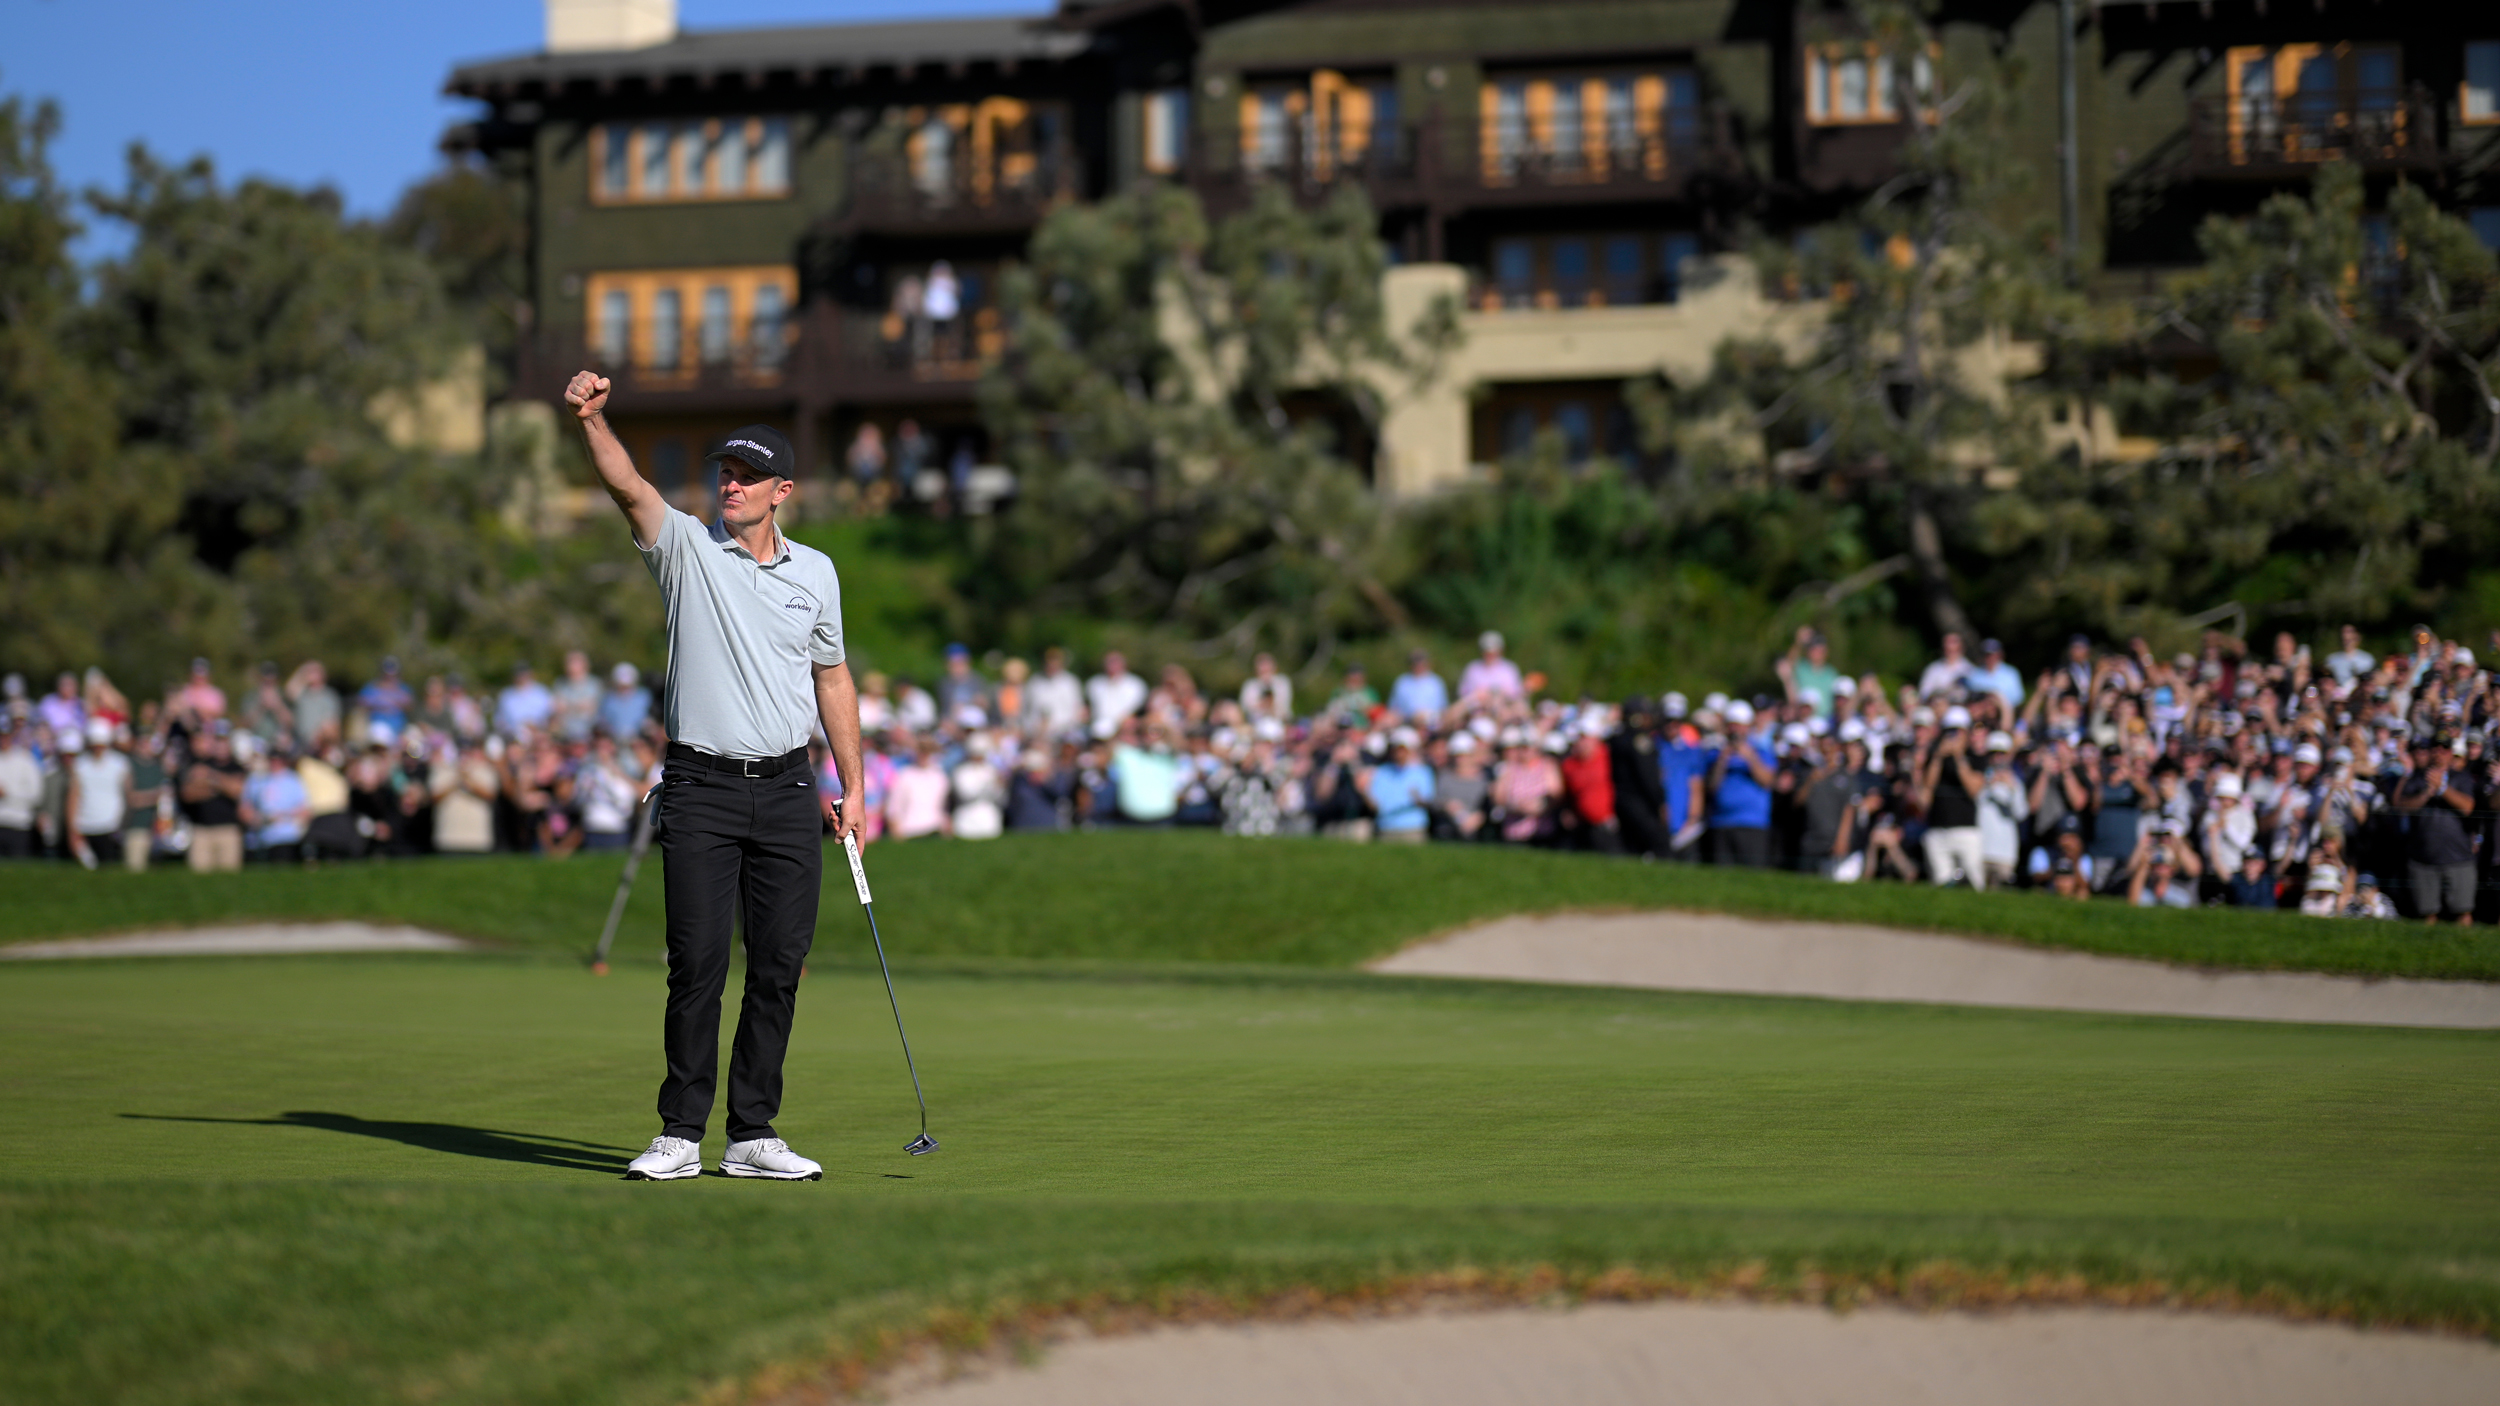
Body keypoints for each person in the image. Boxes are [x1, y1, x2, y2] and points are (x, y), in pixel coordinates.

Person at [568, 369, 864, 1184]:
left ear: (783, 491)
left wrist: (856, 787)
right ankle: (678, 1133)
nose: (728, 485)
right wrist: (594, 421)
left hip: (789, 790)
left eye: (744, 476)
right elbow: (629, 488)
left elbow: (831, 678)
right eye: (722, 473)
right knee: (696, 962)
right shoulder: (688, 551)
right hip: (700, 787)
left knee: (778, 965)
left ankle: (752, 1133)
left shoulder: (818, 574)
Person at [2393, 742, 2477, 926]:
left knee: (2463, 912)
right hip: (2423, 859)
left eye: (2444, 748)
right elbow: (2401, 806)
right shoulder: (2417, 778)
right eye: (2435, 748)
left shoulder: (2461, 778)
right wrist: (2426, 794)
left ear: (2451, 753)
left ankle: (2466, 950)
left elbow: (2468, 807)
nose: (2439, 753)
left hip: (2458, 857)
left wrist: (2443, 789)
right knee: (2427, 914)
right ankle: (2428, 951)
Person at [1707, 701, 1776, 867]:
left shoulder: (1761, 752)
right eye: (1732, 726)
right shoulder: (1716, 754)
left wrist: (1749, 757)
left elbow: (1767, 780)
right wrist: (1722, 760)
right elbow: (1711, 787)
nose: (1735, 731)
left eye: (1739, 726)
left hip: (1752, 824)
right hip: (1722, 822)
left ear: (1748, 727)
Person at [179, 725, 248, 872]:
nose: (221, 746)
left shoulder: (237, 768)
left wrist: (211, 778)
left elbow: (238, 790)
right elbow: (188, 794)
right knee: (199, 877)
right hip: (202, 830)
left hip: (228, 830)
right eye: (218, 741)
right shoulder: (199, 764)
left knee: (229, 877)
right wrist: (222, 786)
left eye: (224, 741)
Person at [64, 722, 131, 870]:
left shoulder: (120, 764)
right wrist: (72, 831)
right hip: (85, 826)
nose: (98, 749)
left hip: (110, 826)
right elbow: (73, 798)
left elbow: (128, 796)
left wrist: (123, 824)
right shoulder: (80, 765)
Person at [1359, 727, 1436, 844]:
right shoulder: (1382, 772)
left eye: (1402, 749)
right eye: (1396, 749)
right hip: (1386, 827)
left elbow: (1427, 800)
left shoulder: (1423, 772)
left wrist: (1418, 798)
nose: (1399, 753)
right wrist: (1364, 791)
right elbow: (1375, 806)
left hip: (1413, 829)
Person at [0, 716, 45, 858]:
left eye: (6, 736)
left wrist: (8, 794)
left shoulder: (26, 760)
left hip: (19, 825)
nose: (3, 740)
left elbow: (36, 795)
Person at [1085, 651, 1148, 739]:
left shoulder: (1136, 684)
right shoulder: (1094, 683)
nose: (1112, 666)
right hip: (1098, 726)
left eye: (1115, 662)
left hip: (1126, 728)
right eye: (1110, 662)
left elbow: (1138, 711)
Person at [1026, 647, 1087, 738]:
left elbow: (1077, 710)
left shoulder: (1070, 683)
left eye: (1055, 660)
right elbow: (1028, 710)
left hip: (1064, 733)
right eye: (1049, 660)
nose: (1052, 664)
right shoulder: (1035, 682)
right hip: (1038, 734)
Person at [1457, 631, 1525, 704]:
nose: (1490, 655)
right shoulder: (1472, 668)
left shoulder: (1510, 669)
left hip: (1505, 709)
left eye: (1493, 652)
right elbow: (1463, 694)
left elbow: (1517, 694)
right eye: (1487, 652)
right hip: (1478, 709)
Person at [550, 651, 603, 743]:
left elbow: (592, 709)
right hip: (565, 732)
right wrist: (578, 706)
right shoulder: (560, 684)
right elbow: (557, 708)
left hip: (588, 732)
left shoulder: (594, 684)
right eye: (569, 663)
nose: (571, 666)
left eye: (575, 663)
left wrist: (569, 706)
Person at [1386, 651, 1449, 725]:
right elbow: (1393, 708)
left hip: (1433, 722)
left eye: (1421, 662)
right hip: (1407, 722)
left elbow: (1443, 709)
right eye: (1415, 663)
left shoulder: (1437, 682)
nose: (1419, 665)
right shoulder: (1401, 682)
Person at [495, 663, 555, 739]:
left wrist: (538, 727)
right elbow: (499, 720)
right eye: (519, 674)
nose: (522, 677)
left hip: (540, 737)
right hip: (513, 738)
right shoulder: (506, 696)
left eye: (524, 674)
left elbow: (551, 715)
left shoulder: (542, 692)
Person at [599, 662, 653, 740]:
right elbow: (603, 720)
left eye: (627, 686)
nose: (624, 689)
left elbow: (649, 719)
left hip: (640, 740)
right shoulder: (609, 699)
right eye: (621, 686)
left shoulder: (644, 696)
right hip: (614, 740)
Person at [1239, 652, 1294, 723]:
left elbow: (1284, 704)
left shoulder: (1282, 682)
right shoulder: (1250, 685)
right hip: (1255, 721)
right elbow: (1245, 706)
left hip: (1280, 720)